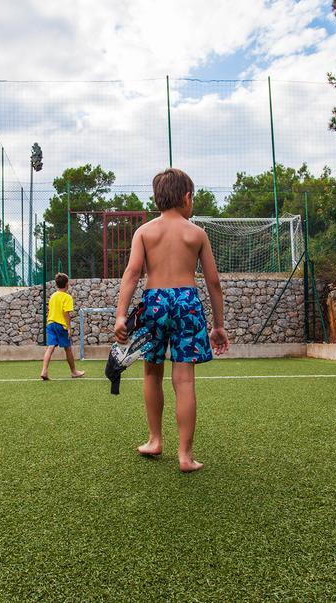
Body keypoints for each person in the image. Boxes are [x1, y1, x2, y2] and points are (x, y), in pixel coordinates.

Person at [114, 168, 230, 473]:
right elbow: (214, 282)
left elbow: (132, 273)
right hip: (187, 303)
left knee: (152, 374)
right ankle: (185, 455)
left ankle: (155, 440)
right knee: (185, 380)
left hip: (154, 303)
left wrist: (121, 315)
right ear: (187, 197)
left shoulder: (145, 232)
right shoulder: (196, 233)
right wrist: (218, 326)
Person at [40, 273, 85, 380]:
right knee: (68, 348)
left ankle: (44, 371)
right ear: (67, 284)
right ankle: (74, 372)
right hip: (61, 325)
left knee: (50, 347)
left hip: (50, 324)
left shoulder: (53, 296)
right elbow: (66, 314)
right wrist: (69, 328)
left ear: (56, 284)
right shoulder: (67, 297)